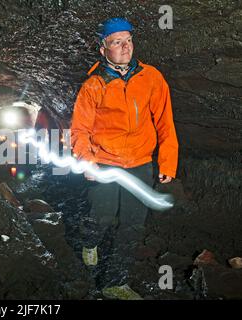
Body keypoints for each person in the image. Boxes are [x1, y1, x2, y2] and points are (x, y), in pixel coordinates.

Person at [70, 17, 178, 286]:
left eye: (128, 40)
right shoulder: (93, 86)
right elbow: (79, 129)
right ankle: (90, 240)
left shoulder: (151, 77)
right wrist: (87, 162)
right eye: (117, 42)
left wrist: (167, 162)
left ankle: (115, 284)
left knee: (132, 226)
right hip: (105, 162)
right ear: (103, 49)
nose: (125, 46)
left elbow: (165, 121)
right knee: (102, 216)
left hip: (140, 162)